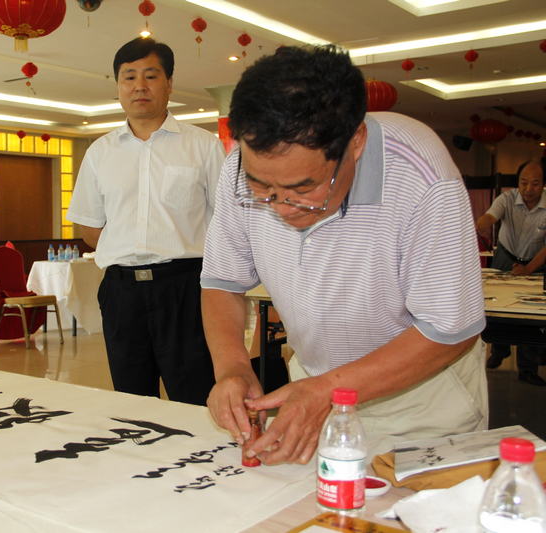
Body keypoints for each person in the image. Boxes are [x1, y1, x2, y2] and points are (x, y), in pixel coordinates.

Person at [201, 45, 487, 465]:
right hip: (312, 390)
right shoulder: (240, 169)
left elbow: (449, 330)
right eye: (263, 189)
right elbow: (222, 282)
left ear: (356, 142)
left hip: (422, 405)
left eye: (304, 189)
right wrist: (232, 367)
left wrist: (326, 392)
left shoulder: (422, 176)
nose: (281, 207)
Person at [66, 37, 225, 405]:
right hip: (122, 293)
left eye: (151, 76)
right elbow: (89, 226)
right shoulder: (100, 152)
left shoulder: (202, 146)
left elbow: (227, 221)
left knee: (195, 393)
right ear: (118, 86)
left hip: (185, 289)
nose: (139, 86)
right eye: (129, 77)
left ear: (169, 84)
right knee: (131, 397)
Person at [476, 159, 546, 386]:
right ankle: (499, 350)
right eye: (524, 182)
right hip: (505, 257)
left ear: (543, 183)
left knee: (528, 313)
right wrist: (480, 224)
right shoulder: (506, 198)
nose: (528, 189)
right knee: (498, 306)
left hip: (535, 261)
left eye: (535, 184)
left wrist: (529, 269)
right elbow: (491, 216)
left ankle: (527, 368)